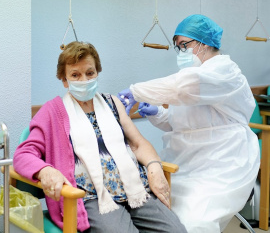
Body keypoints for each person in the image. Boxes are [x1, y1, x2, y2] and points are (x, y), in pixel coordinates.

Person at [13, 41, 187, 233]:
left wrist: (154, 167)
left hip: (135, 188)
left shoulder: (112, 103)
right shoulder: (52, 112)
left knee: (176, 230)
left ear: (97, 73)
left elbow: (138, 144)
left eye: (90, 73)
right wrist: (45, 171)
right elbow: (23, 154)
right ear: (64, 80)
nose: (84, 80)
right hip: (92, 197)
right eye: (75, 75)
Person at [118, 14, 260, 233]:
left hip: (222, 164)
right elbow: (180, 124)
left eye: (185, 45)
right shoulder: (190, 76)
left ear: (204, 43)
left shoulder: (224, 71)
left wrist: (136, 91)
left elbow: (185, 87)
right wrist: (158, 114)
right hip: (184, 163)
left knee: (195, 221)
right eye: (178, 47)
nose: (181, 51)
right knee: (167, 217)